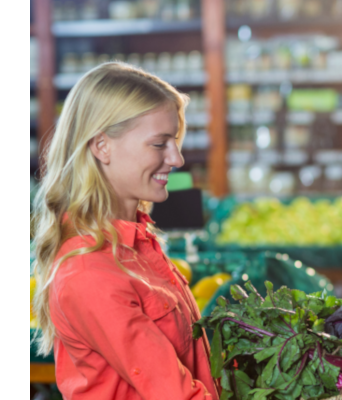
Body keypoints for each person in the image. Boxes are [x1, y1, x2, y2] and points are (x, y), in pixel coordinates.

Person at [30, 63, 219, 399]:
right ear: (102, 146)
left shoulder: (135, 241)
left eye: (174, 141)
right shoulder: (91, 273)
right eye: (160, 144)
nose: (177, 159)